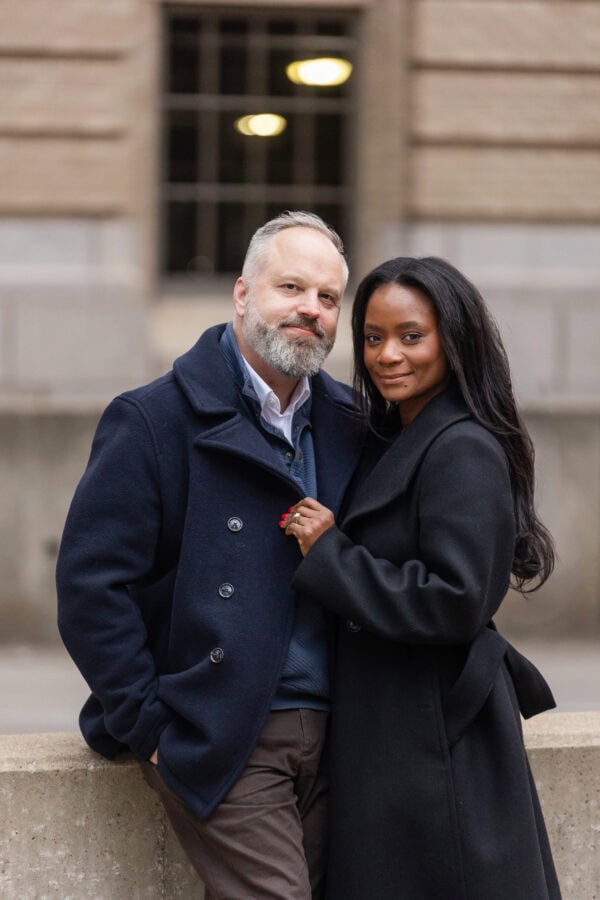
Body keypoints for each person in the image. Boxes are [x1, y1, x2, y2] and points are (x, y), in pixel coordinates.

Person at [56, 210, 367, 900]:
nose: (309, 310)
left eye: (327, 298)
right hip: (225, 732)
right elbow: (90, 587)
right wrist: (154, 729)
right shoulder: (153, 419)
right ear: (242, 293)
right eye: (291, 287)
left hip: (346, 735)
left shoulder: (352, 424)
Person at [281, 256, 561, 899]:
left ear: (452, 339)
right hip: (398, 726)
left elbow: (455, 599)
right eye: (374, 337)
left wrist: (329, 554)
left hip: (437, 734)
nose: (387, 356)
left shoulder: (462, 447)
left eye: (412, 336)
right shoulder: (399, 434)